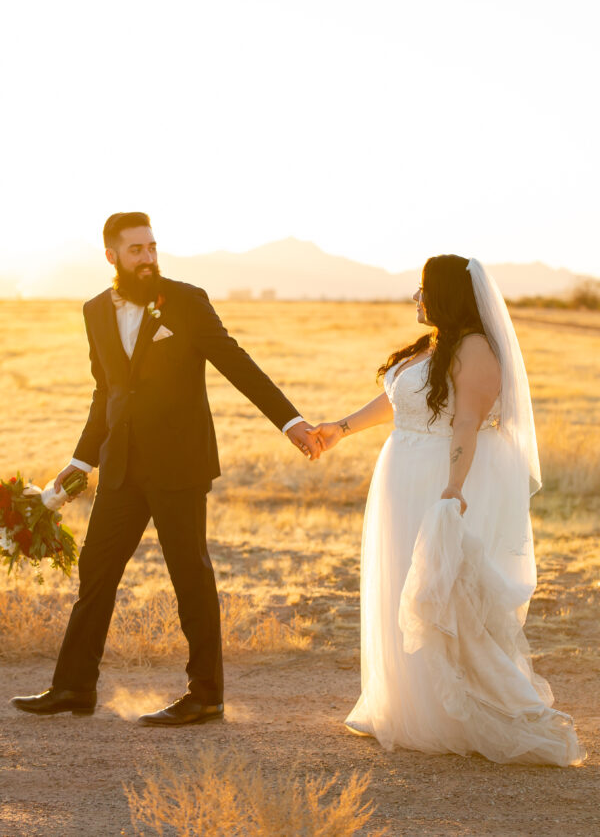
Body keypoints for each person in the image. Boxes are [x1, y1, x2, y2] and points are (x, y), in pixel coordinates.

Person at [11, 212, 320, 726]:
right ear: (111, 255)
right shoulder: (93, 311)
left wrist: (290, 422)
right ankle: (72, 688)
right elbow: (104, 394)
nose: (148, 257)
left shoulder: (186, 299)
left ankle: (206, 696)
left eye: (152, 246)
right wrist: (79, 461)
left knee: (189, 575)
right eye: (136, 250)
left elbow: (235, 361)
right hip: (120, 469)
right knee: (97, 574)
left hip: (179, 464)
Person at [308, 254, 584, 765]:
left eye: (422, 289)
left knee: (442, 592)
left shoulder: (476, 349)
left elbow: (466, 424)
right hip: (400, 477)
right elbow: (398, 403)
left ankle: (458, 714)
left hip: (438, 479)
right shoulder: (432, 347)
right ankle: (406, 705)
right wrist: (339, 429)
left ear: (447, 296)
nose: (415, 297)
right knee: (400, 583)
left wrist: (453, 488)